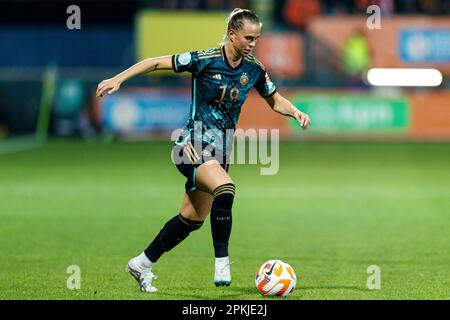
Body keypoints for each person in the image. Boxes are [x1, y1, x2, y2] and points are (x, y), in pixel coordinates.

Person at [96, 8, 311, 293]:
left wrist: (295, 112)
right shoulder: (204, 60)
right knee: (226, 188)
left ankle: (142, 263)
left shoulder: (254, 69)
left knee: (191, 219)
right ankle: (222, 261)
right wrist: (119, 78)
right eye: (248, 37)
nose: (252, 43)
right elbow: (156, 62)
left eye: (256, 38)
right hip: (191, 147)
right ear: (232, 34)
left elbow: (274, 99)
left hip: (220, 154)